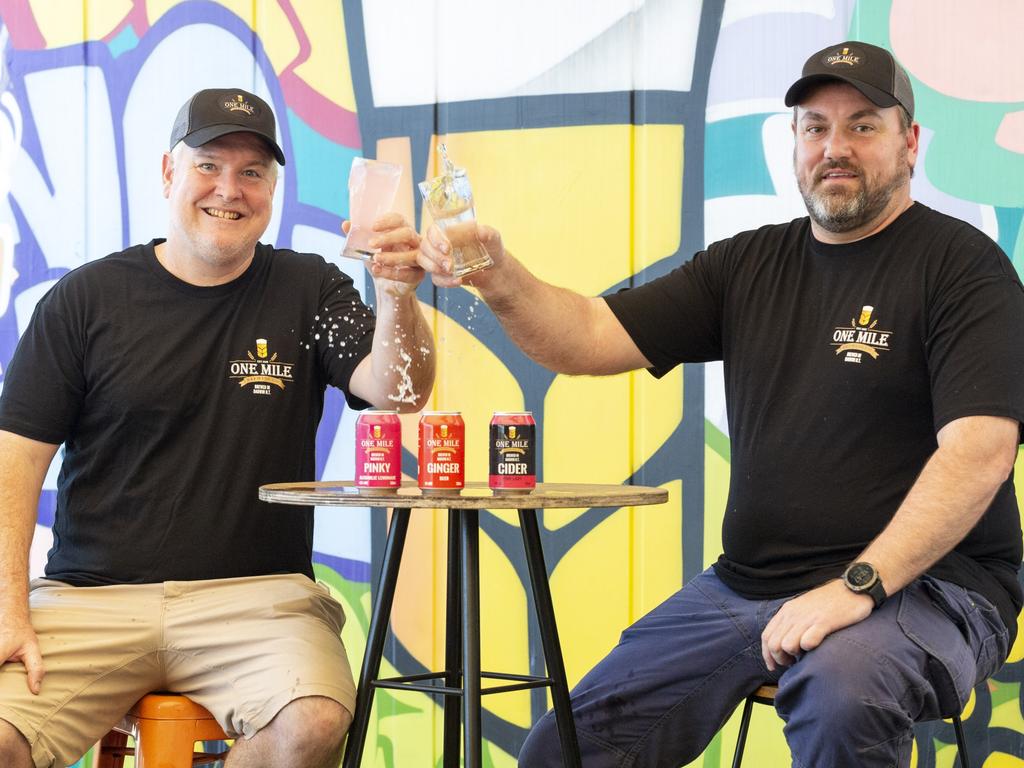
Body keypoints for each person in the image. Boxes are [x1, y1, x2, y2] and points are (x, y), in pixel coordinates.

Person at [420, 41, 1024, 767]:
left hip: (931, 592)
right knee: (565, 749)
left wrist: (855, 586)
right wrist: (492, 270)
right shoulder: (746, 265)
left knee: (839, 694)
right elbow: (585, 337)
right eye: (815, 128)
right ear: (795, 143)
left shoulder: (963, 268)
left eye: (863, 125)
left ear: (909, 143)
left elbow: (980, 452)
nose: (836, 148)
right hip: (748, 589)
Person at [0, 88, 434, 768]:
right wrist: (8, 609)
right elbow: (14, 464)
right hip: (91, 601)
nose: (228, 189)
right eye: (208, 165)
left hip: (260, 601)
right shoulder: (85, 302)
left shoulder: (310, 290)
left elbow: (400, 390)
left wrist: (397, 292)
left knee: (314, 724)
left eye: (252, 172)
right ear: (169, 173)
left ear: (272, 189)